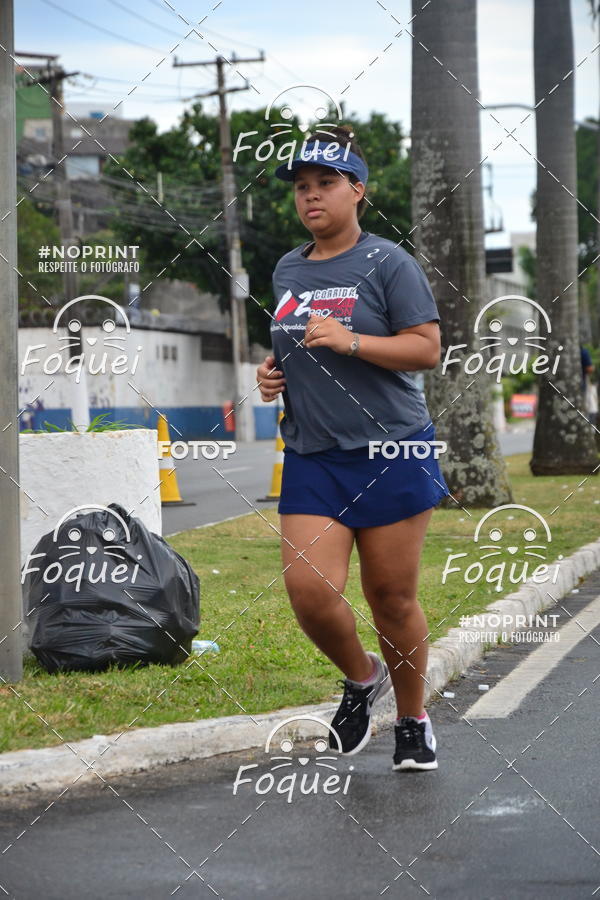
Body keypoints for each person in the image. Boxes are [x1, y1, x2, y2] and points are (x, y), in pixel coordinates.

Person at [256, 125, 450, 772]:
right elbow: (292, 342)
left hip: (392, 450)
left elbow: (425, 348)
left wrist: (353, 342)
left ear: (357, 191)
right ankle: (362, 676)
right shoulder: (287, 267)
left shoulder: (389, 262)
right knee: (310, 592)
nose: (312, 197)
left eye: (326, 184)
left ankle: (414, 719)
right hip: (315, 455)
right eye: (302, 188)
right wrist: (270, 373)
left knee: (391, 600)